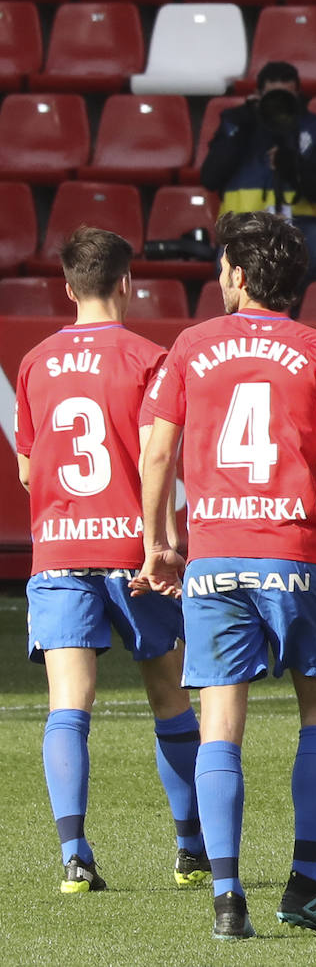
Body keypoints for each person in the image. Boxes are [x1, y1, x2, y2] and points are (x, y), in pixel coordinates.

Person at [134, 210, 316, 939]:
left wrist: (158, 541)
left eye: (221, 267)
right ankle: (304, 885)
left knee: (220, 726)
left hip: (214, 560)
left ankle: (226, 899)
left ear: (239, 276)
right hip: (295, 556)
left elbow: (157, 456)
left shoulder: (191, 345)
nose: (219, 278)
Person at [14, 227, 207, 894]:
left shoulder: (35, 362)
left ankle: (74, 854)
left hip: (61, 550)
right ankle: (189, 850)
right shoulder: (151, 360)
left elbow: (26, 472)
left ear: (67, 287)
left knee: (70, 702)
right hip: (135, 551)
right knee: (170, 696)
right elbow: (161, 459)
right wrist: (163, 540)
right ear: (129, 282)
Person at [200, 61, 316, 283]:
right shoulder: (235, 122)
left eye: (285, 97)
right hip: (245, 224)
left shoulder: (314, 128)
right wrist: (244, 125)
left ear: (297, 94)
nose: (279, 104)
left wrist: (294, 168)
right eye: (272, 97)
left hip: (303, 223)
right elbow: (210, 178)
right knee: (229, 272)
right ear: (258, 94)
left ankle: (301, 315)